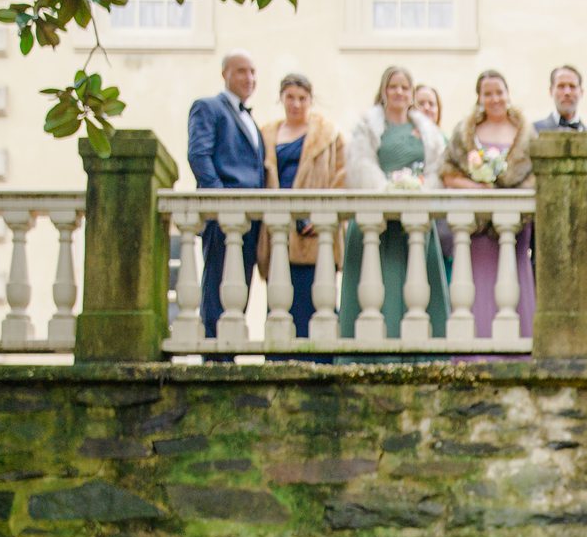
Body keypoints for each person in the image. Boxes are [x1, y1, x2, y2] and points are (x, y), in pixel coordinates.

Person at [340, 65, 450, 340]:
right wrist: (387, 192)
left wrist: (419, 189)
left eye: (404, 87)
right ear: (383, 91)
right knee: (376, 283)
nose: (399, 92)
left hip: (415, 215)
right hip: (377, 216)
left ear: (411, 93)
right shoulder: (369, 127)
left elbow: (437, 167)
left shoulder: (426, 131)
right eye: (393, 86)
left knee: (415, 284)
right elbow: (362, 163)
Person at [441, 68, 537, 340]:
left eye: (499, 92)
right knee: (477, 281)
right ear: (479, 98)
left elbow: (535, 179)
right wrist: (478, 187)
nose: (495, 99)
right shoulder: (465, 132)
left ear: (508, 95)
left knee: (513, 277)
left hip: (513, 225)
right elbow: (448, 174)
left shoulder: (526, 134)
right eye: (488, 94)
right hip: (477, 226)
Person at [258, 72, 345, 341]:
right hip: (279, 229)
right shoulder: (266, 135)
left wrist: (322, 220)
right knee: (281, 301)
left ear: (311, 100)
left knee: (317, 300)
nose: (296, 104)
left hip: (313, 232)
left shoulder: (328, 136)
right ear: (281, 99)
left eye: (302, 98)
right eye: (290, 98)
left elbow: (341, 180)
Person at [186, 50, 267, 338]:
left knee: (239, 288)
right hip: (223, 214)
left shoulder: (250, 120)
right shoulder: (208, 107)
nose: (249, 78)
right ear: (225, 75)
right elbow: (199, 155)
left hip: (251, 217)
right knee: (217, 285)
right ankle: (213, 354)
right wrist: (219, 200)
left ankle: (228, 351)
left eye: (253, 72)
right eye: (241, 71)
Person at [539, 64, 587, 132]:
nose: (567, 92)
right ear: (551, 91)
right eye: (561, 86)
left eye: (572, 86)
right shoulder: (533, 132)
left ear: (581, 92)